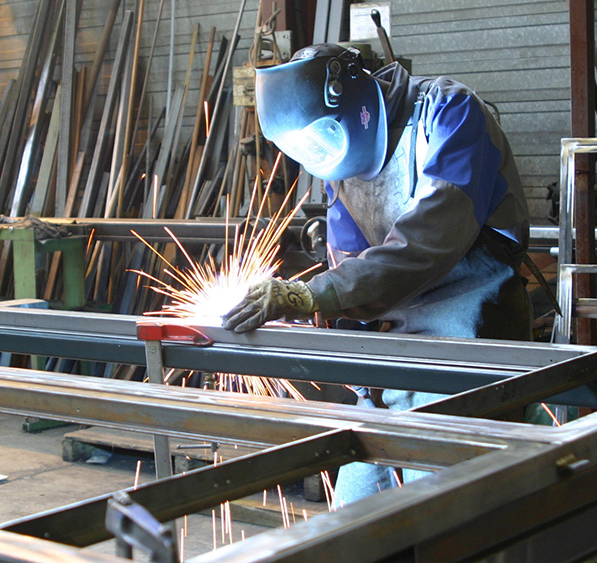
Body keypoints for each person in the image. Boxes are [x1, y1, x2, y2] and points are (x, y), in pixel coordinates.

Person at [221, 44, 533, 505]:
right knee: (352, 519)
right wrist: (324, 324)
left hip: (468, 353)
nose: (318, 155)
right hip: (391, 370)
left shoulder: (448, 112)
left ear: (353, 102)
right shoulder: (338, 165)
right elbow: (347, 264)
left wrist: (313, 295)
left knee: (435, 524)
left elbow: (430, 240)